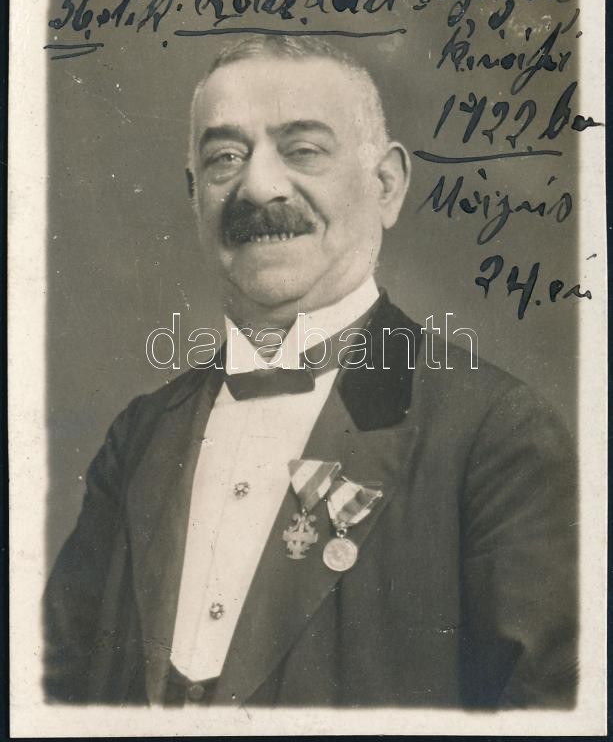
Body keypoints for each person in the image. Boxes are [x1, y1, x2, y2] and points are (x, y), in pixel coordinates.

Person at [44, 35, 577, 708]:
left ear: (386, 185)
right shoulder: (141, 435)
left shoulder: (496, 436)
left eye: (302, 150)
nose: (258, 186)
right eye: (224, 157)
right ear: (194, 195)